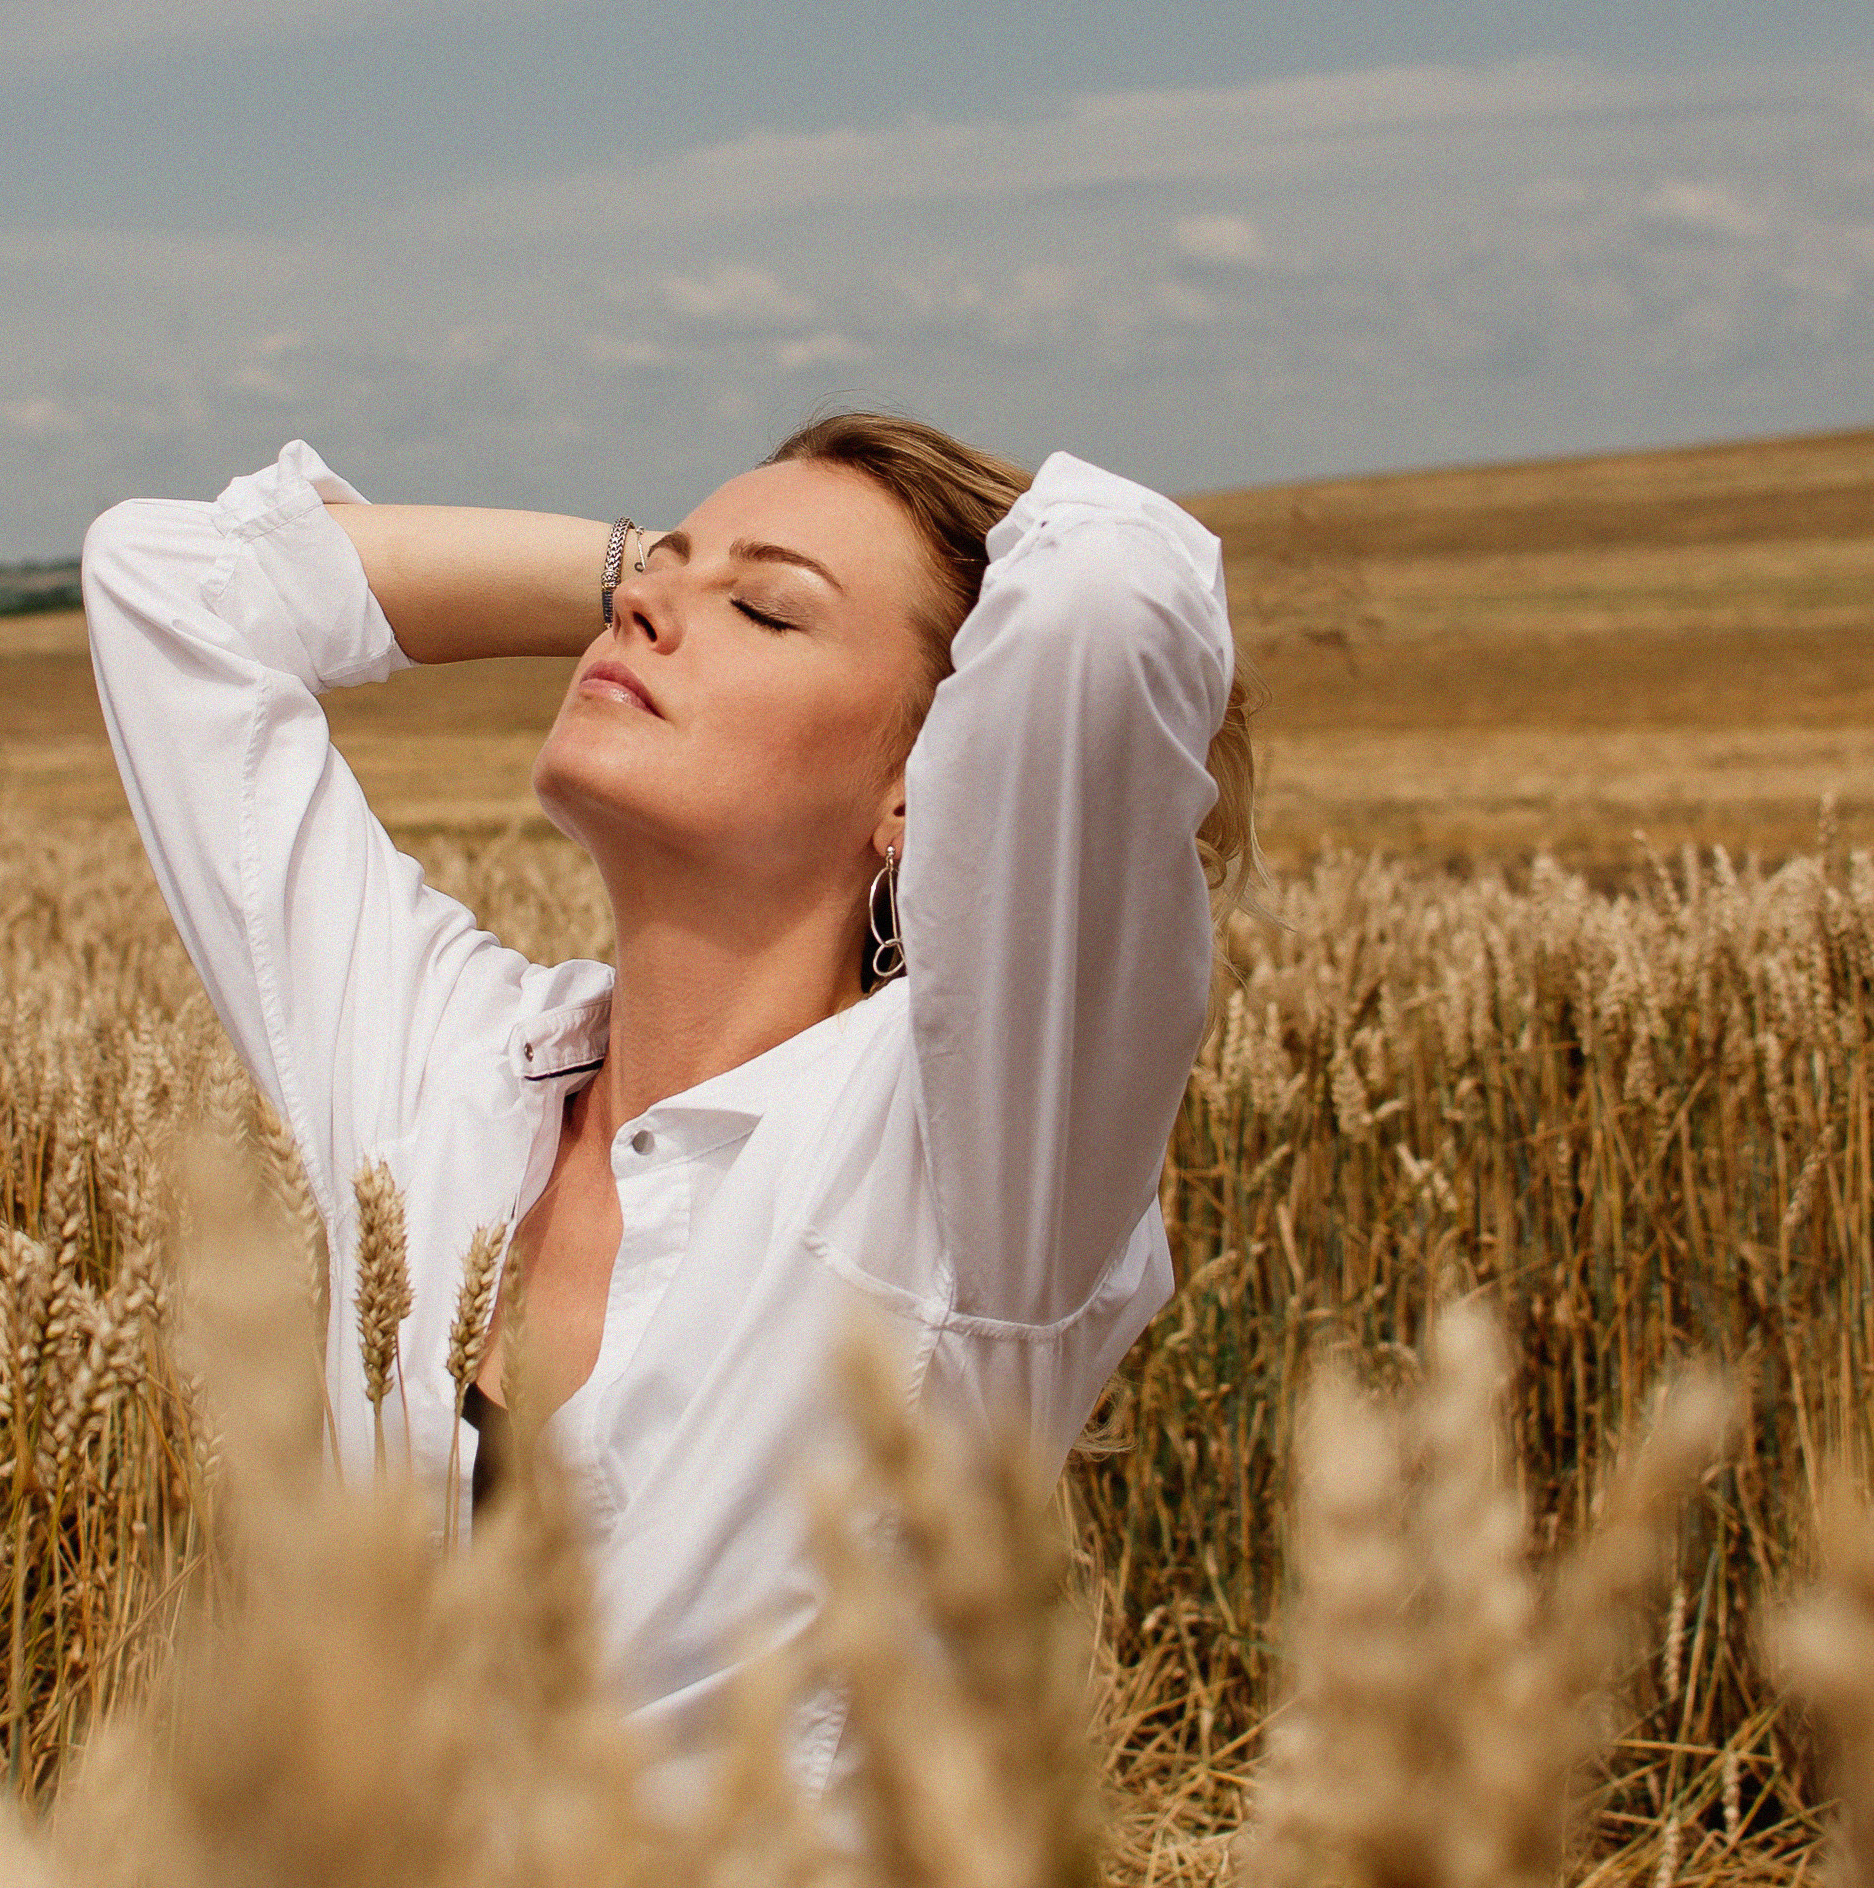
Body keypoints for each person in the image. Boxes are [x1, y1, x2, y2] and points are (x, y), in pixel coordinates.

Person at [84, 405, 1250, 1780]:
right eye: (646, 580)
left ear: (922, 789)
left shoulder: (971, 1157)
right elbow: (167, 577)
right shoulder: (447, 1070)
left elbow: (1109, 600)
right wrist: (646, 569)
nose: (643, 610)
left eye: (765, 611)